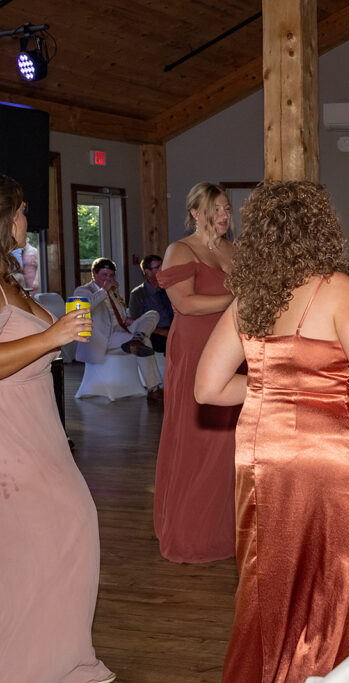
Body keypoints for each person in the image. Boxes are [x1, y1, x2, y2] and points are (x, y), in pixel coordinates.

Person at [195, 180, 349, 681]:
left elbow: (207, 388)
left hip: (260, 452)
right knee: (335, 575)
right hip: (327, 453)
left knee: (266, 576)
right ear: (321, 229)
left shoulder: (250, 296)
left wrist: (274, 389)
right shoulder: (336, 288)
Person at [0, 175, 115, 682]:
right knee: (63, 532)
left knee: (56, 540)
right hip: (13, 436)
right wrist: (53, 334)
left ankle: (55, 661)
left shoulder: (10, 278)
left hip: (42, 430)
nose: (29, 219)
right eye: (23, 209)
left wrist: (59, 335)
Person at [153, 182, 240, 563]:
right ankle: (192, 533)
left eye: (226, 209)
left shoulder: (230, 249)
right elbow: (185, 304)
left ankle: (227, 529)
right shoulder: (180, 250)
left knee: (229, 440)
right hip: (194, 348)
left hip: (231, 346)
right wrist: (238, 299)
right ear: (195, 212)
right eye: (216, 209)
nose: (223, 216)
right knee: (196, 435)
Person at [74, 257, 163, 400]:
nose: (108, 279)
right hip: (103, 338)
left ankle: (136, 339)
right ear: (94, 274)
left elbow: (120, 317)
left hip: (122, 333)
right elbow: (85, 308)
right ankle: (154, 388)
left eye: (111, 275)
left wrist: (131, 321)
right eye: (104, 275)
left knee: (152, 314)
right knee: (145, 342)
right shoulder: (83, 290)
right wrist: (104, 290)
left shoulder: (114, 292)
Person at [129, 254, 174, 353]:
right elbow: (136, 322)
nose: (162, 270)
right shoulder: (138, 294)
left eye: (163, 266)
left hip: (173, 330)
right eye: (158, 267)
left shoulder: (169, 289)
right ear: (147, 272)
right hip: (154, 334)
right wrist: (163, 332)